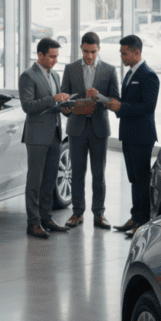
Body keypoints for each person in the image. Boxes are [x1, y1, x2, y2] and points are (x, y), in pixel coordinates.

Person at [59, 32, 119, 230]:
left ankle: (99, 214)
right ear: (81, 49)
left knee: (98, 174)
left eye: (93, 52)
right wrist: (66, 108)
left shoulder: (110, 70)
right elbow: (64, 101)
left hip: (99, 129)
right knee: (76, 172)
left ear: (98, 49)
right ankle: (77, 213)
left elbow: (115, 101)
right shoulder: (70, 69)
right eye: (86, 51)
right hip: (76, 128)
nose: (89, 56)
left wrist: (100, 97)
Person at [106, 34, 160, 238]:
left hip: (141, 135)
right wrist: (115, 105)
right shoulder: (130, 74)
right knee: (133, 178)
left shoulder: (148, 75)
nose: (121, 56)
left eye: (124, 53)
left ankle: (143, 221)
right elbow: (128, 103)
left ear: (136, 52)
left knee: (142, 180)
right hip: (128, 134)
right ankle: (135, 216)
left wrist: (122, 106)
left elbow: (148, 107)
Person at [19, 37, 72, 239]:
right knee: (35, 180)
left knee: (50, 179)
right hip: (37, 136)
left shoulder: (55, 76)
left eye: (57, 56)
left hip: (55, 133)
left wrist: (68, 107)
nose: (55, 60)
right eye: (52, 56)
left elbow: (54, 107)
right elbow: (28, 106)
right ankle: (33, 223)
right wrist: (53, 99)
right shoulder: (28, 76)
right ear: (40, 55)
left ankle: (46, 218)